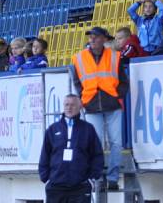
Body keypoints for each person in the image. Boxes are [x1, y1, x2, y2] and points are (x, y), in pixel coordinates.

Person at [72, 27, 128, 191]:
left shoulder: (115, 56)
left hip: (112, 105)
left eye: (96, 37)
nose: (93, 39)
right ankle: (96, 177)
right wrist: (83, 97)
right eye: (91, 37)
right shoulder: (79, 58)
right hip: (91, 104)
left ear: (104, 39)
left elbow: (124, 81)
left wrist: (118, 96)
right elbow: (77, 81)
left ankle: (112, 178)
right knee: (94, 144)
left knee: (116, 143)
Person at [38, 94, 104, 203]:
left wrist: (92, 177)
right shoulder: (53, 129)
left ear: (80, 107)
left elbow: (97, 155)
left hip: (80, 186)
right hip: (56, 187)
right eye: (66, 105)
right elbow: (45, 154)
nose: (69, 108)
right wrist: (45, 178)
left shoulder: (88, 129)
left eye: (73, 105)